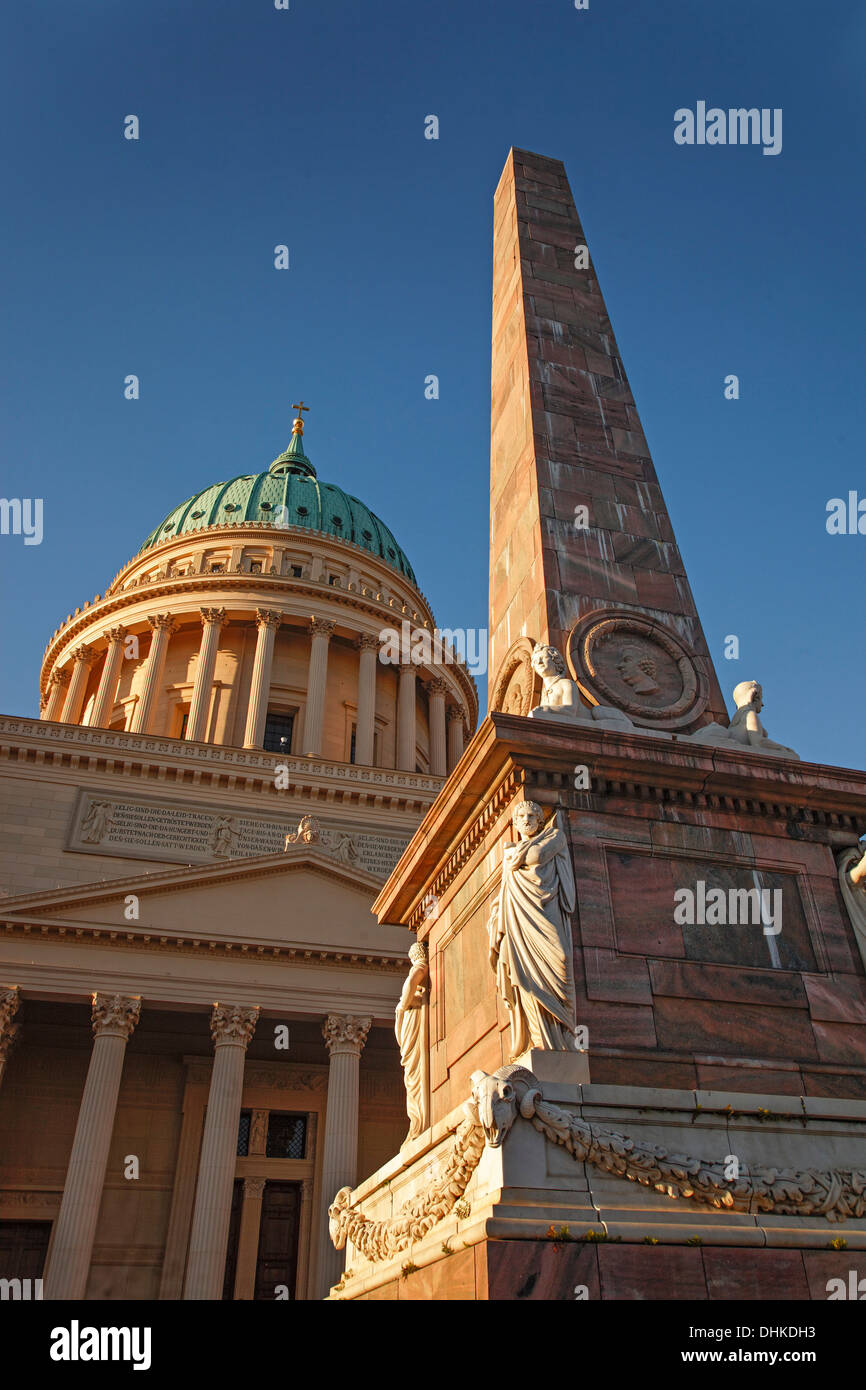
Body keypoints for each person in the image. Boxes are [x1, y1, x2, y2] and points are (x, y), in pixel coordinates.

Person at [488, 802, 578, 1057]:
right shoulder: (510, 852)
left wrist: (522, 854)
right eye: (521, 816)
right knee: (525, 975)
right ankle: (541, 1041)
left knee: (562, 958)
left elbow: (536, 856)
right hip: (520, 922)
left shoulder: (556, 836)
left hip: (547, 914)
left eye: (531, 816)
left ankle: (566, 1034)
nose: (526, 820)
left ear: (540, 821)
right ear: (514, 823)